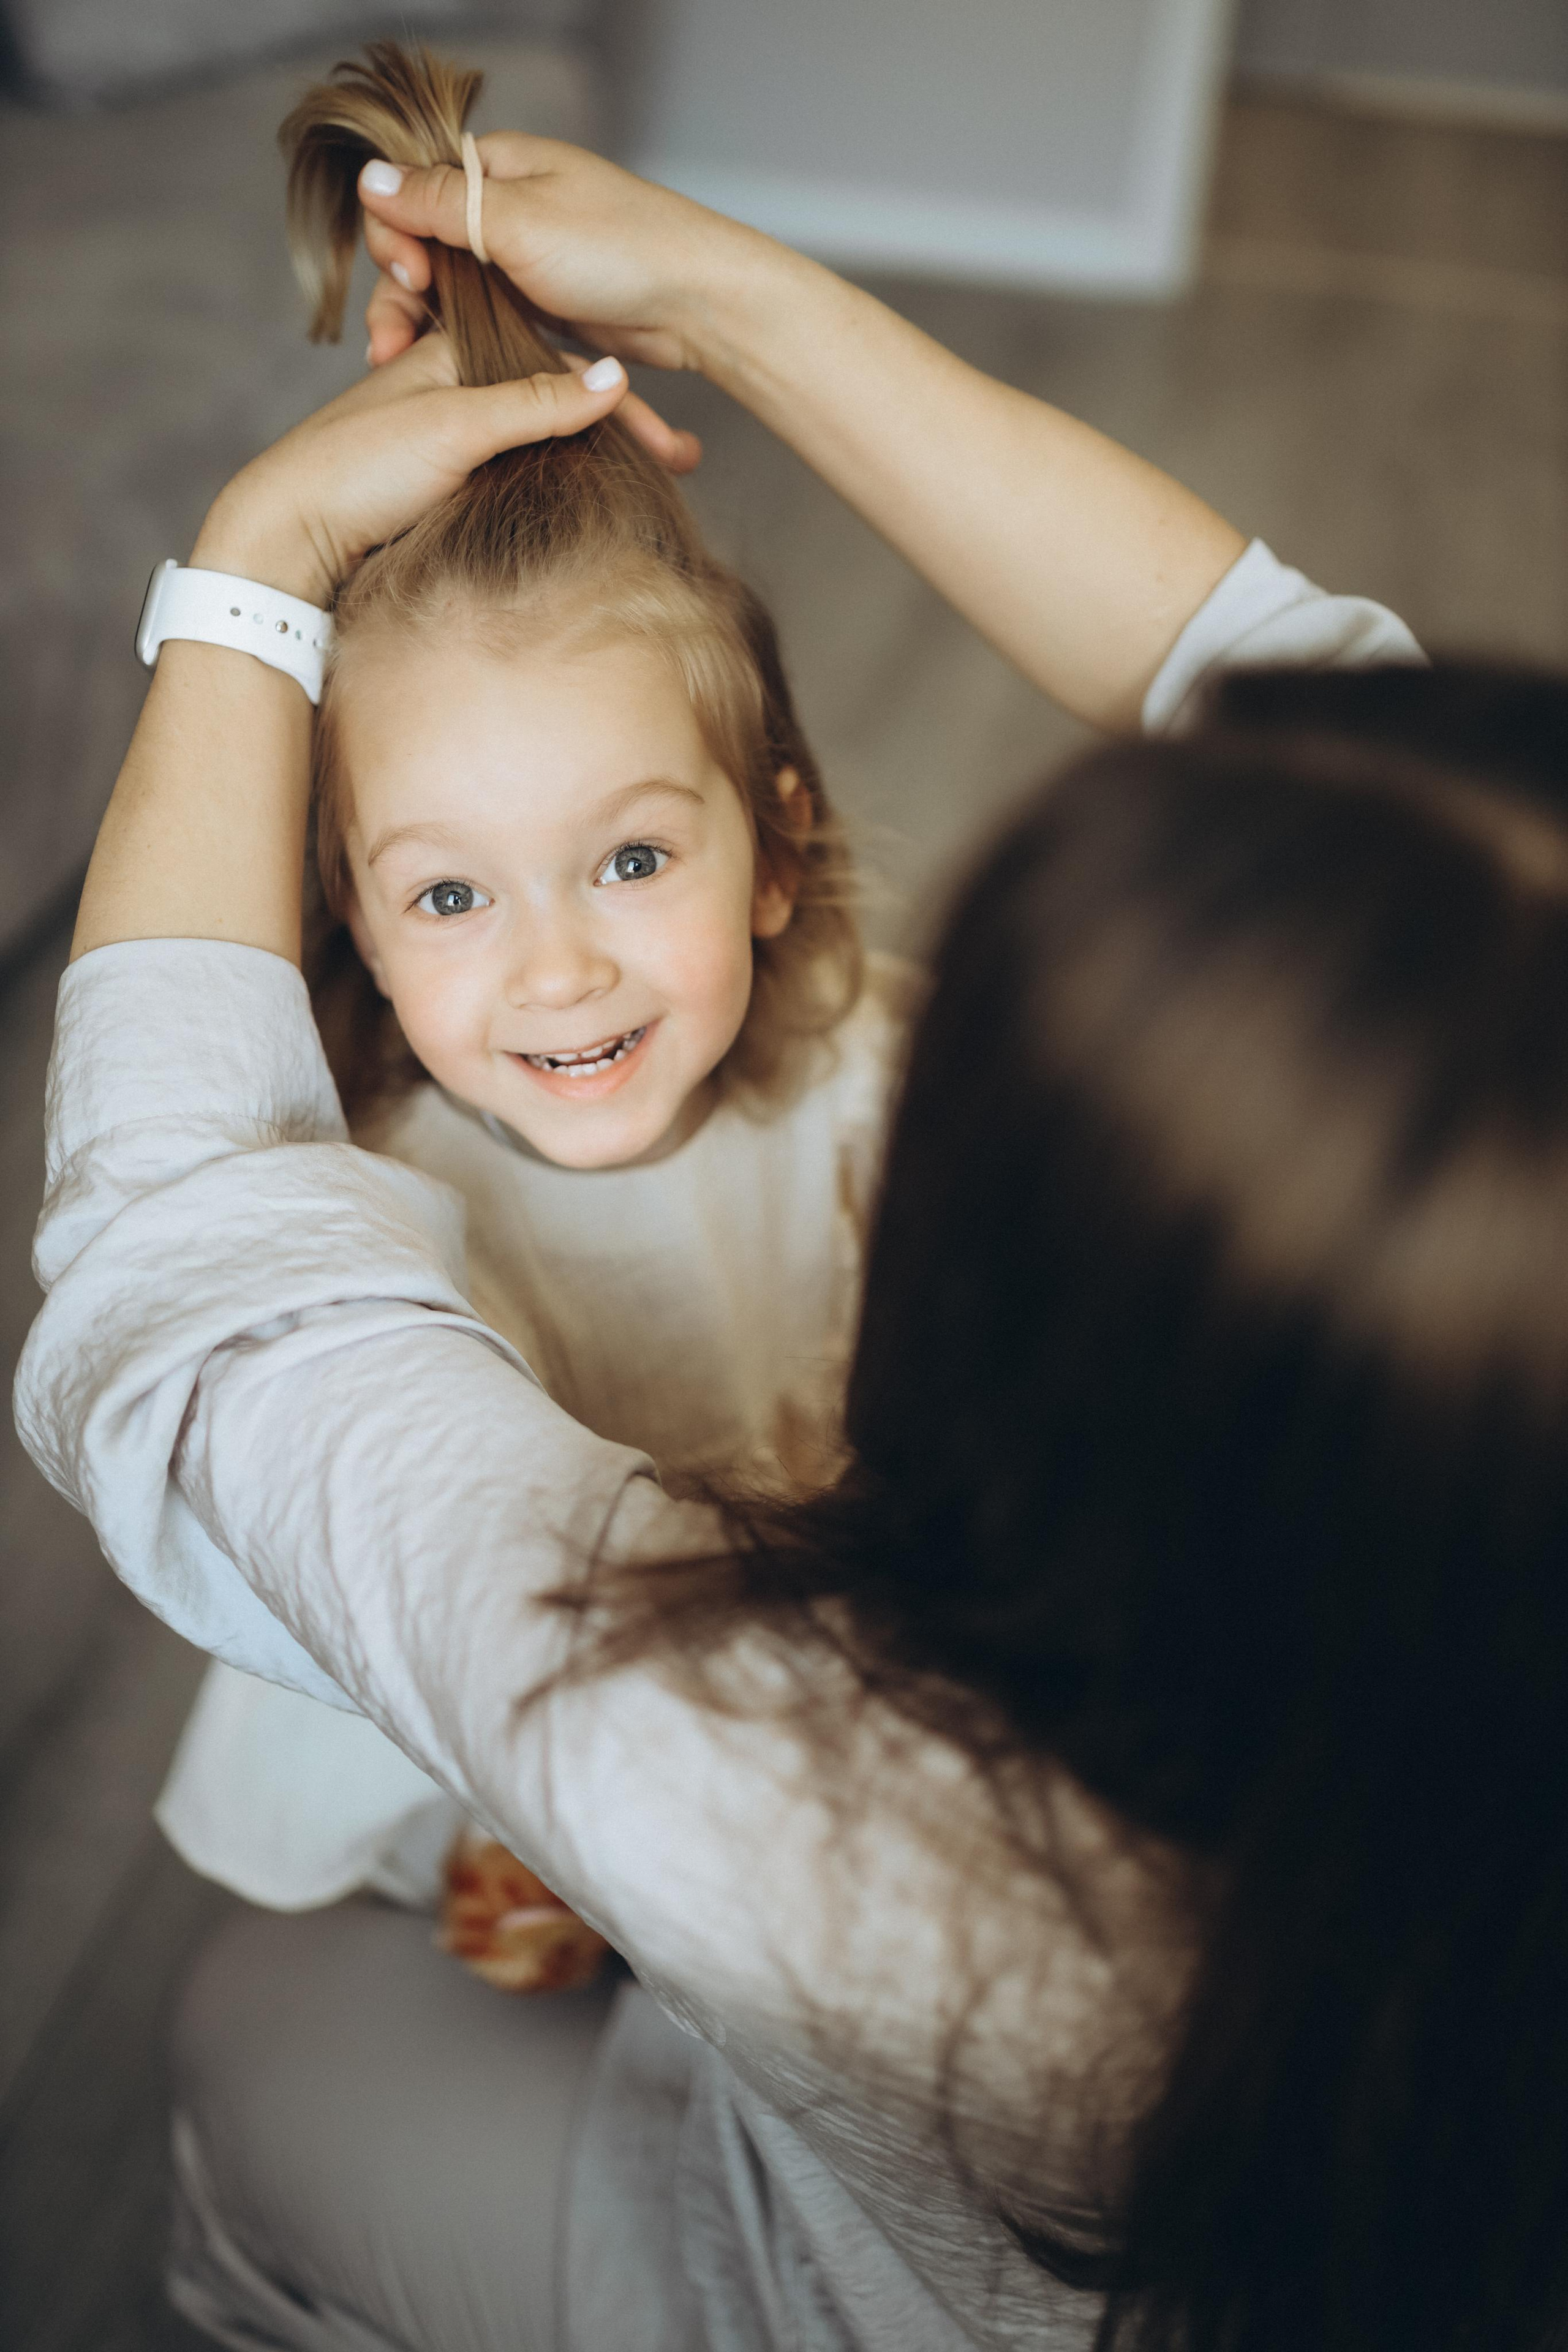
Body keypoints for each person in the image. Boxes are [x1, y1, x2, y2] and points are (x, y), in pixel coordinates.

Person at [29, 110, 1568, 2352]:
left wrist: (250, 551)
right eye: (451, 889)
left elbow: (187, 1272)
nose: (556, 969)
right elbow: (1327, 695)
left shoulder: (831, 1823)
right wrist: (726, 284)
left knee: (254, 2024)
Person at [153, 40, 892, 1992]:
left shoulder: (879, 1070)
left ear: (777, 850)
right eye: (453, 895)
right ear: (358, 932)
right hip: (526, 1734)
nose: (556, 971)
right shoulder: (388, 1226)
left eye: (634, 861)